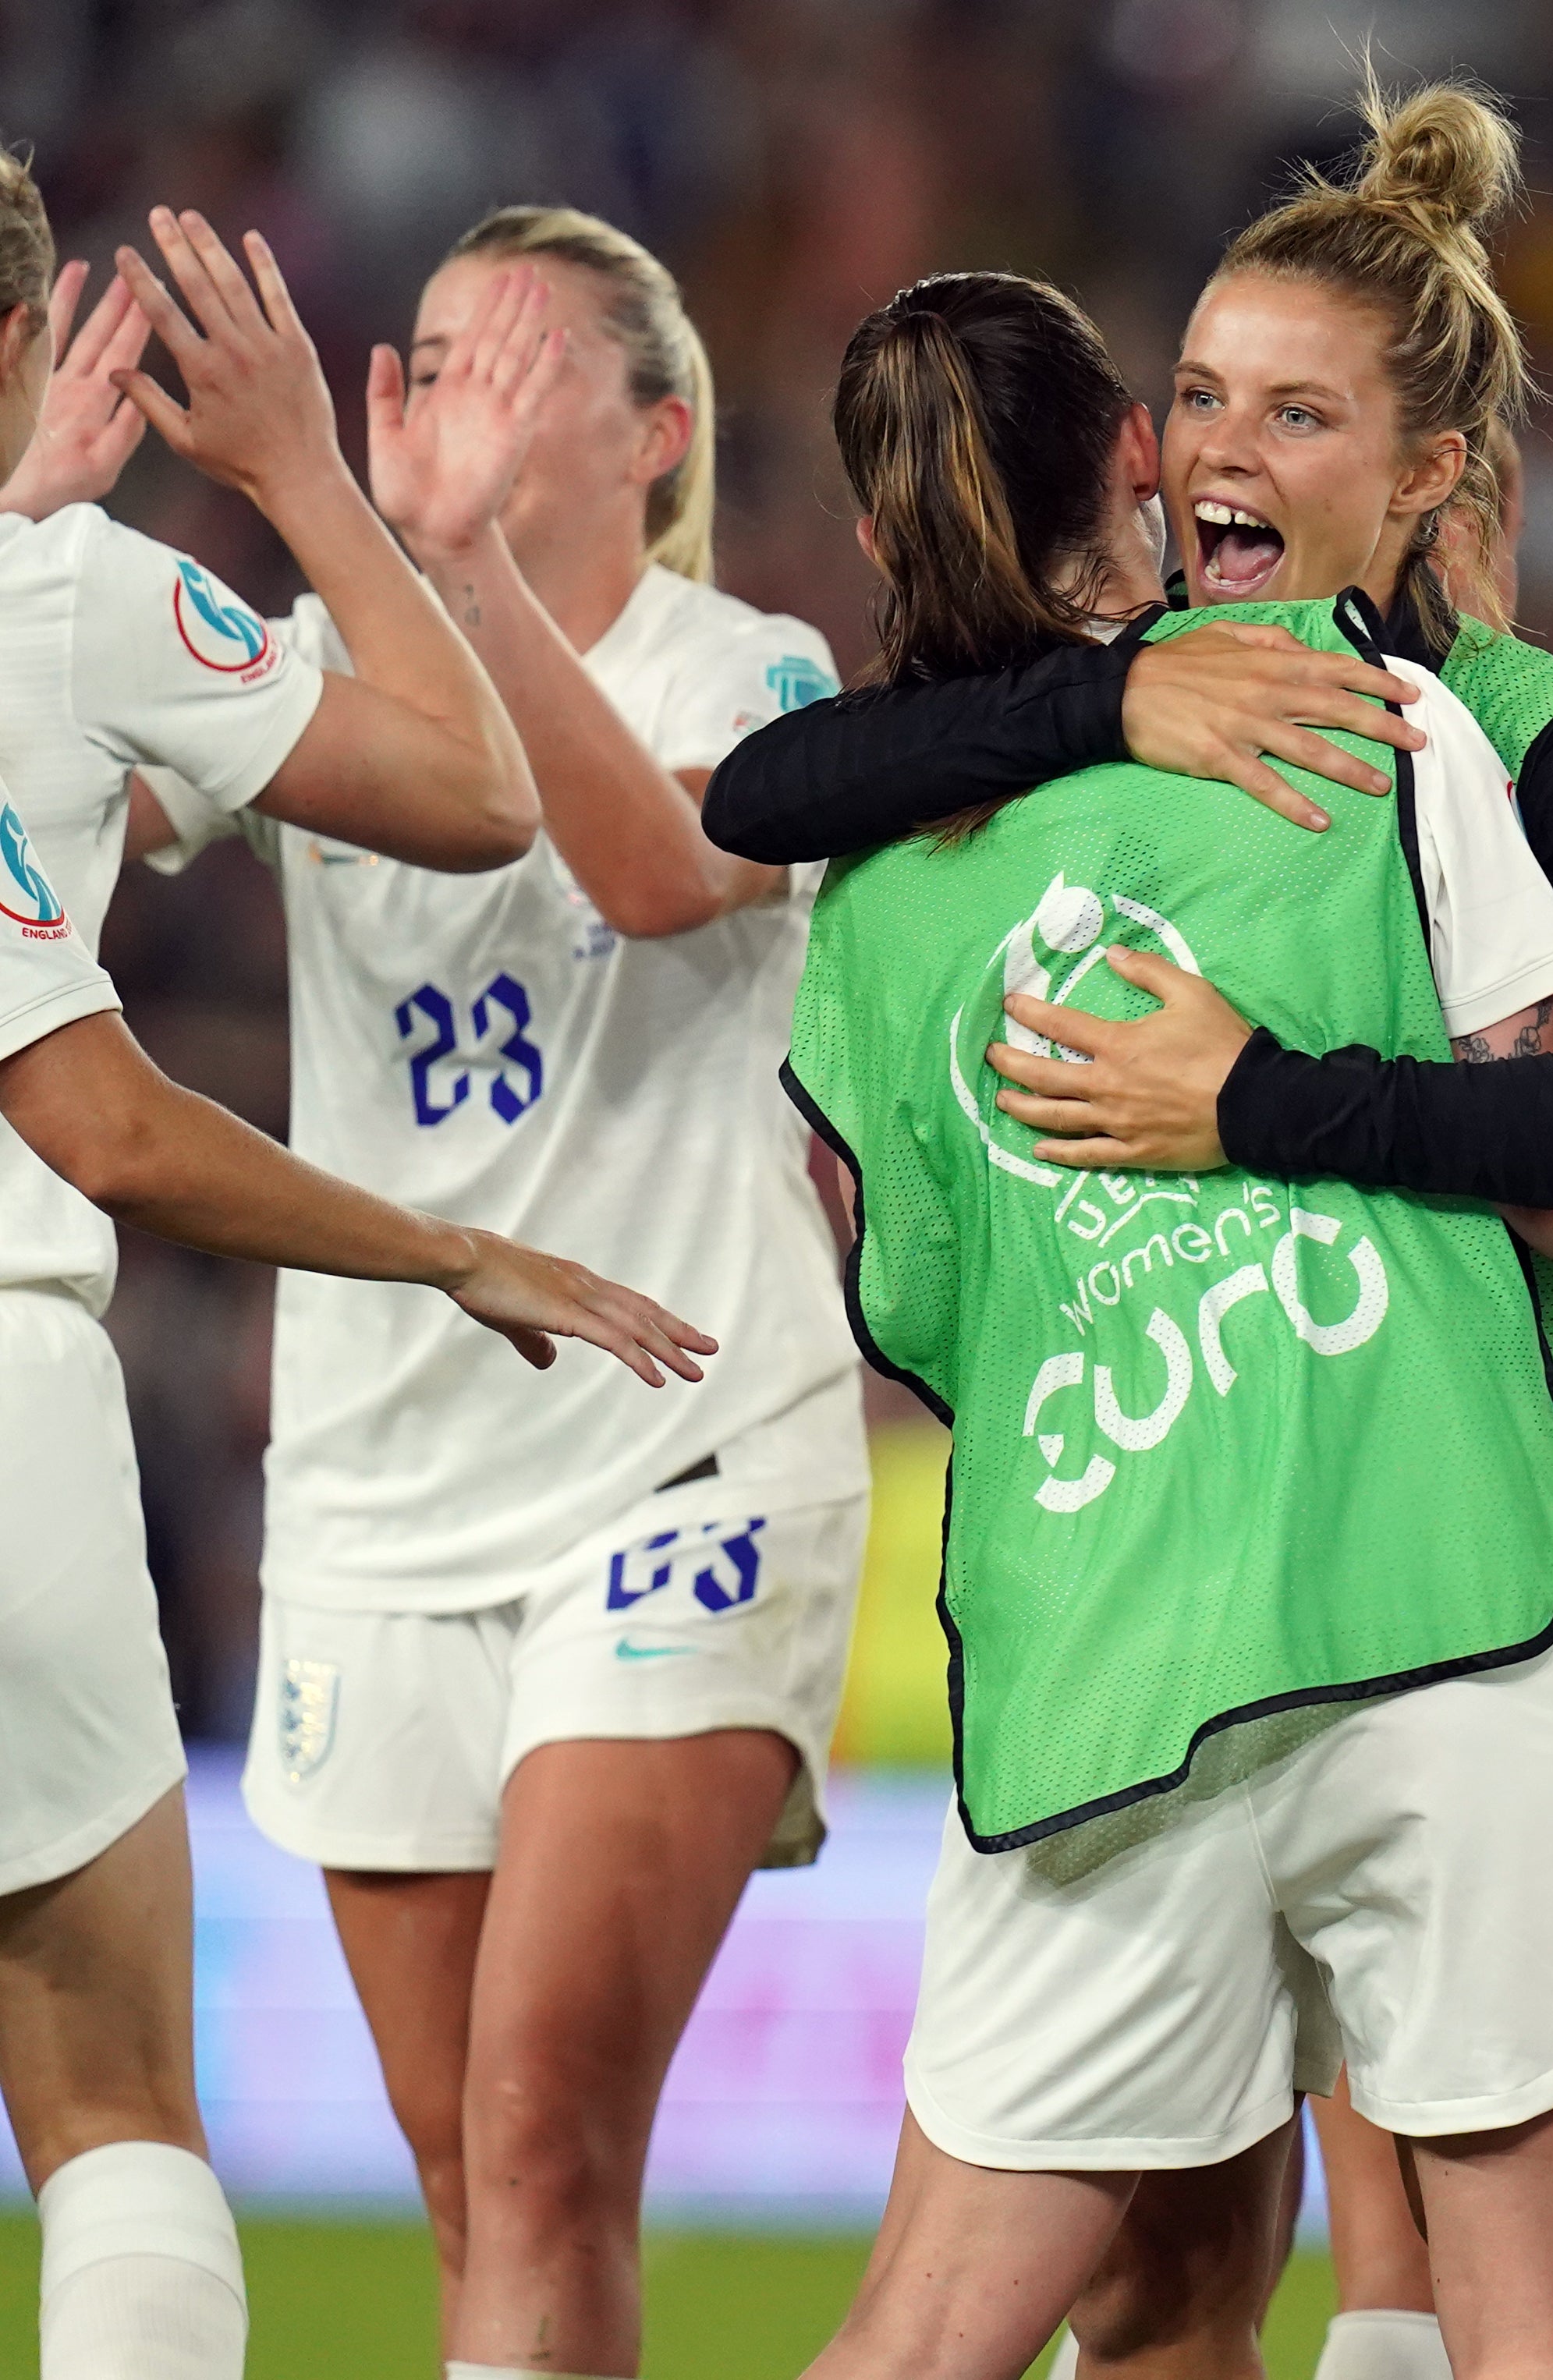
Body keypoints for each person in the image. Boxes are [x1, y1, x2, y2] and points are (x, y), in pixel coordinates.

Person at [784, 264, 1553, 2380]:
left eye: (1285, 408)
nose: (1226, 451)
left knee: (935, 2336)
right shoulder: (1412, 727)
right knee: (1537, 2324)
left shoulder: (876, 878)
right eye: (1199, 403)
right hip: (1443, 1594)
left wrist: (1176, 1186)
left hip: (1109, 1649)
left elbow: (908, 1289)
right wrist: (1295, 1136)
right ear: (1137, 458)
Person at [94, 202, 874, 2380]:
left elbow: (647, 867)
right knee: (473, 2189)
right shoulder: (306, 667)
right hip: (376, 1495)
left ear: (658, 433)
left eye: (518, 367)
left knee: (540, 2131)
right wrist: (59, 527)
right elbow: (90, 790)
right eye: (426, 360)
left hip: (679, 1454)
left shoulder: (758, 669)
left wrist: (443, 565)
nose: (456, 402)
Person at [0, 167, 562, 2380]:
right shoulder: (71, 598)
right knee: (117, 2109)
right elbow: (472, 782)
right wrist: (313, 484)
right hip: (13, 1395)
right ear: (33, 337)